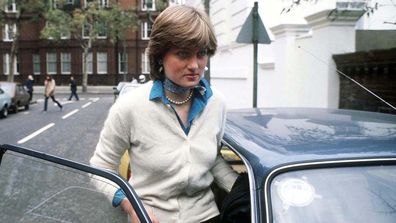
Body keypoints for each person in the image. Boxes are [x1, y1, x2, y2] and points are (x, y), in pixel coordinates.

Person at [90, 5, 238, 223]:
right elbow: (101, 166)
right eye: (183, 53)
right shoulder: (130, 106)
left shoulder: (217, 103)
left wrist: (243, 190)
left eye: (201, 54)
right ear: (160, 56)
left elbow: (211, 159)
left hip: (208, 217)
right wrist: (131, 206)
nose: (195, 65)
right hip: (150, 219)